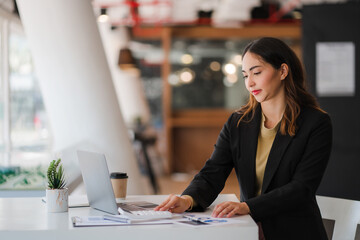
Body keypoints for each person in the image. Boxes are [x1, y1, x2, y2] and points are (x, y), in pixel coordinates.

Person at [155, 37, 332, 240]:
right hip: (248, 231)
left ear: (283, 71)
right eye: (245, 75)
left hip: (295, 232)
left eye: (257, 72)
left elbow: (302, 188)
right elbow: (213, 171)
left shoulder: (316, 123)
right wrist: (187, 199)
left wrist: (247, 206)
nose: (250, 83)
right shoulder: (239, 122)